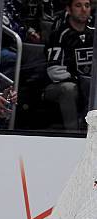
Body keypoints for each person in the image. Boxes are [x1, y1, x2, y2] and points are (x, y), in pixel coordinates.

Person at [44, 0, 93, 130]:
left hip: (88, 84)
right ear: (69, 10)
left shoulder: (93, 33)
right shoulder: (59, 35)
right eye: (78, 5)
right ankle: (73, 134)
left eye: (87, 6)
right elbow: (54, 71)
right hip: (57, 85)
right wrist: (81, 81)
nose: (83, 9)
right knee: (69, 89)